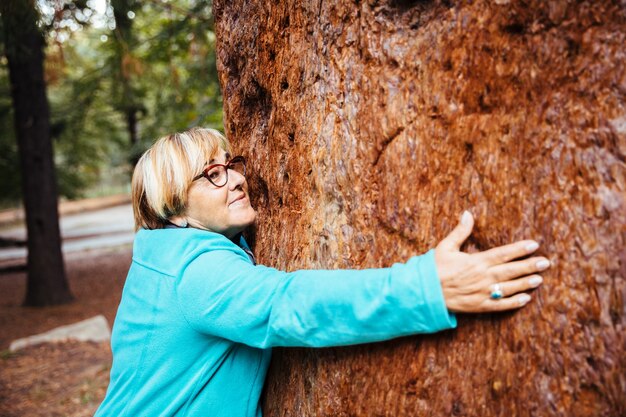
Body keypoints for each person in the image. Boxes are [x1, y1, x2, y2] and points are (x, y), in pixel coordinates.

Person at [94, 127, 550, 417]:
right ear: (173, 210)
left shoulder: (166, 256)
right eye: (211, 174)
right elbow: (289, 304)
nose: (234, 178)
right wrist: (428, 286)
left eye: (230, 165)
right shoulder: (194, 273)